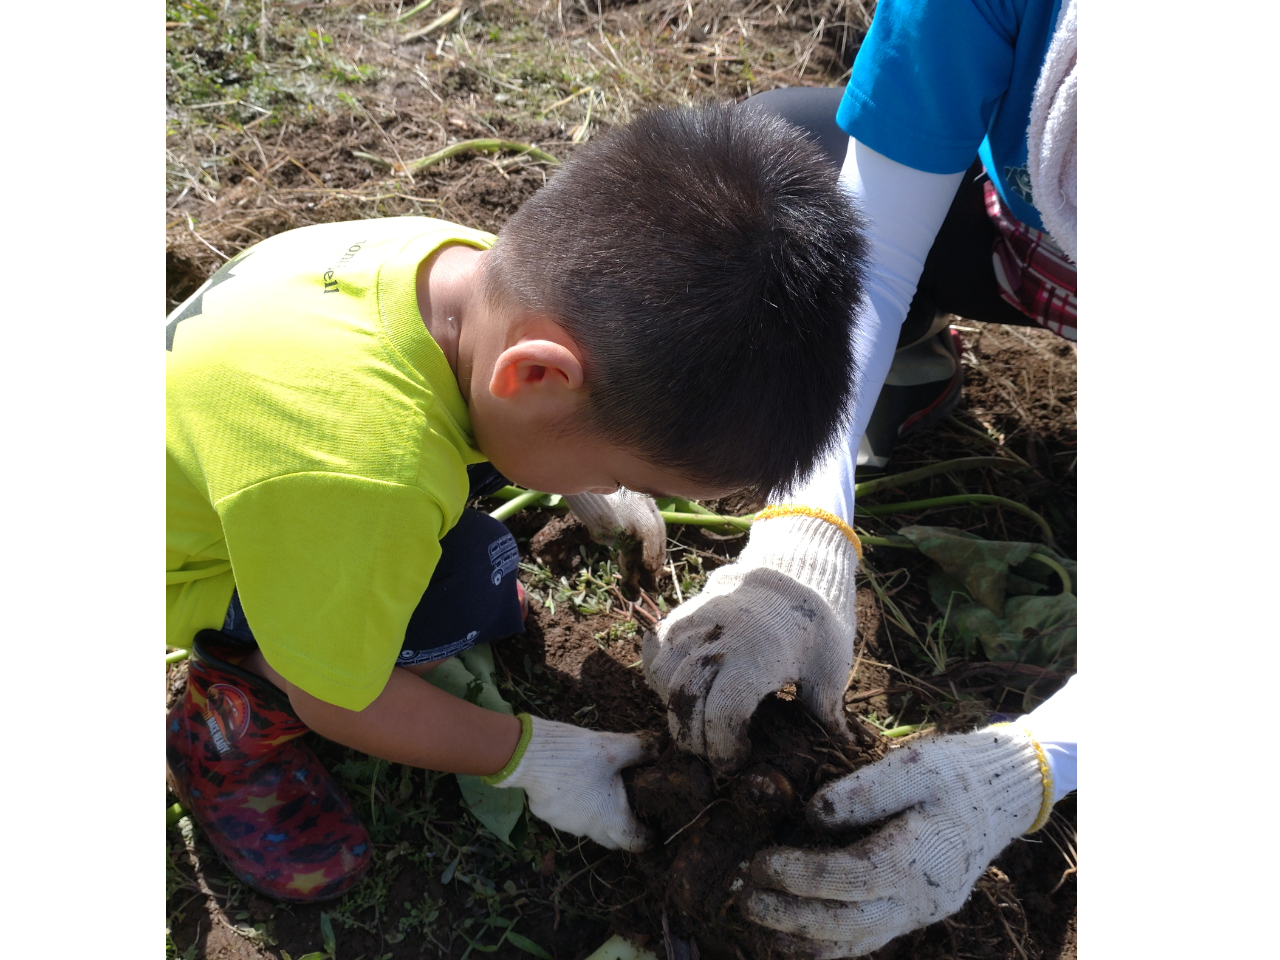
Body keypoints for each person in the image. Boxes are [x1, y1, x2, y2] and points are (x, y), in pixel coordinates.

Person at [165, 105, 870, 902]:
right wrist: (526, 756)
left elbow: (502, 418)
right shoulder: (366, 475)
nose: (609, 488)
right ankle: (226, 724)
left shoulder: (463, 267)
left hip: (252, 460)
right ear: (538, 374)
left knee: (465, 564)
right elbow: (337, 698)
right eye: (613, 470)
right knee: (451, 601)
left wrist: (586, 473)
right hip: (185, 559)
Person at [640, 0, 1079, 955]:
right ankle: (916, 355)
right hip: (1029, 240)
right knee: (762, 177)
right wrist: (804, 519)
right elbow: (870, 261)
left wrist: (1037, 764)